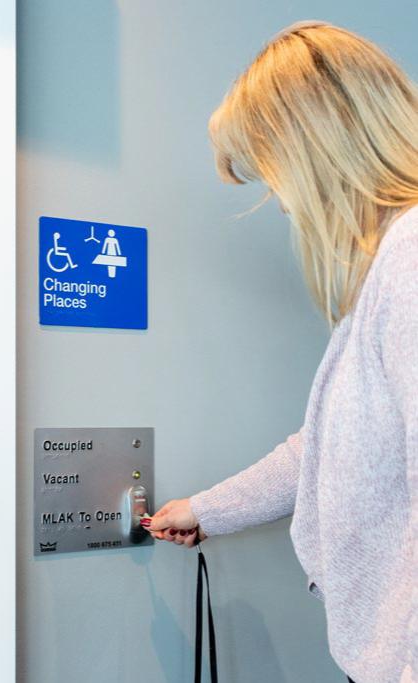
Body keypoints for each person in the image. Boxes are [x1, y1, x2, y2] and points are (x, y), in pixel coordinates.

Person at [140, 21, 418, 683]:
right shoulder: (384, 273)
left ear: (317, 149)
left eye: (273, 174)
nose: (283, 203)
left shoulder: (411, 263)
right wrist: (206, 508)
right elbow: (323, 445)